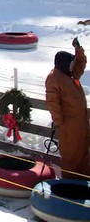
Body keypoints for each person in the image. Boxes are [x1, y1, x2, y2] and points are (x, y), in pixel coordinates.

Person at [45, 37, 90, 179]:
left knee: (83, 155)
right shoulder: (55, 78)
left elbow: (81, 63)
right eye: (71, 63)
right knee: (72, 158)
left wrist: (78, 50)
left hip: (81, 124)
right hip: (69, 127)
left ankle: (84, 184)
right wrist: (59, 122)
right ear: (64, 64)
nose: (73, 65)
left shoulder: (69, 74)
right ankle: (70, 188)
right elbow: (52, 103)